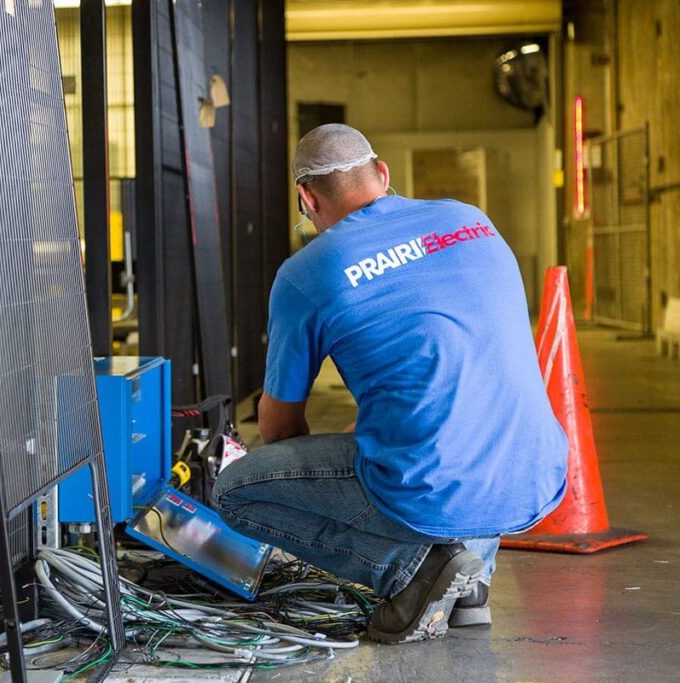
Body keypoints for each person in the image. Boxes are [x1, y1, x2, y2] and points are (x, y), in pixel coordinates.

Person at [212, 124, 568, 644]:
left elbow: (279, 424)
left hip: (438, 487)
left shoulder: (307, 271)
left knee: (235, 490)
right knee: (451, 440)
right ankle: (470, 586)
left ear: (306, 199)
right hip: (535, 473)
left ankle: (412, 569)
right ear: (382, 174)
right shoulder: (470, 220)